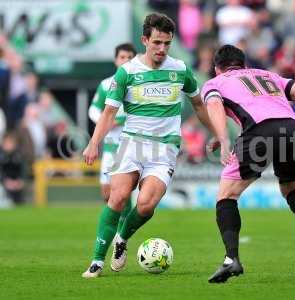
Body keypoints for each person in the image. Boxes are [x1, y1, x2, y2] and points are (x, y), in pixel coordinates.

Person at [202, 45, 295, 283]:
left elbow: (214, 105)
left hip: (259, 132)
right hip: (293, 129)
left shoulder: (215, 83)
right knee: (292, 187)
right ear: (245, 65)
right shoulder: (268, 75)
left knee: (226, 196)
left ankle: (232, 260)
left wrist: (222, 138)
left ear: (217, 69)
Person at [82, 13, 215, 278]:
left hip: (164, 149)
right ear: (145, 40)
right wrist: (93, 143)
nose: (162, 49)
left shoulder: (180, 69)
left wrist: (218, 134)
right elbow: (108, 113)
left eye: (167, 43)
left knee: (145, 206)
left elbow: (199, 105)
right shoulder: (128, 72)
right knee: (117, 198)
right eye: (157, 42)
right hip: (131, 144)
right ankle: (97, 261)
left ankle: (122, 237)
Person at [88, 43, 136, 234]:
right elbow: (93, 110)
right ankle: (118, 225)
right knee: (107, 193)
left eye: (129, 57)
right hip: (110, 147)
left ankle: (121, 233)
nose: (125, 60)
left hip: (131, 146)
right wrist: (105, 121)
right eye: (122, 57)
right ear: (116, 60)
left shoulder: (138, 83)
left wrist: (120, 119)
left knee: (124, 192)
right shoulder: (107, 84)